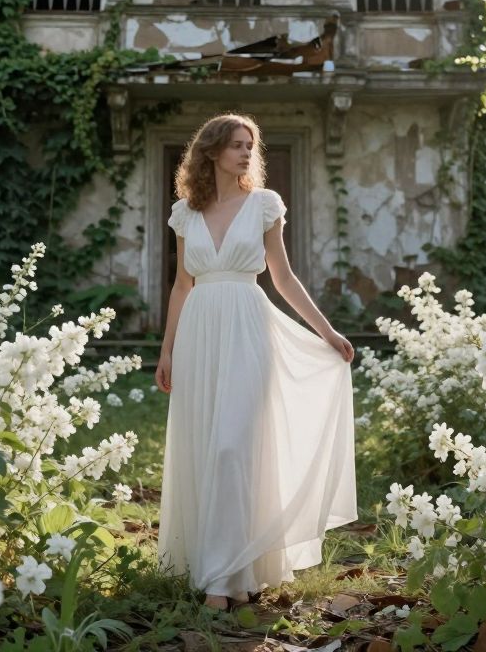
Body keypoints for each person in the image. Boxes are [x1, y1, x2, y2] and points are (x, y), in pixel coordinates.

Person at [155, 112, 358, 611]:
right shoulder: (185, 213)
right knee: (207, 447)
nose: (246, 153)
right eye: (236, 145)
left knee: (234, 448)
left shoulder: (265, 205)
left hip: (249, 329)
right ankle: (237, 576)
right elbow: (182, 285)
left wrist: (327, 332)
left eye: (251, 145)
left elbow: (283, 278)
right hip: (200, 333)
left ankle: (220, 582)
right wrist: (167, 350)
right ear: (211, 153)